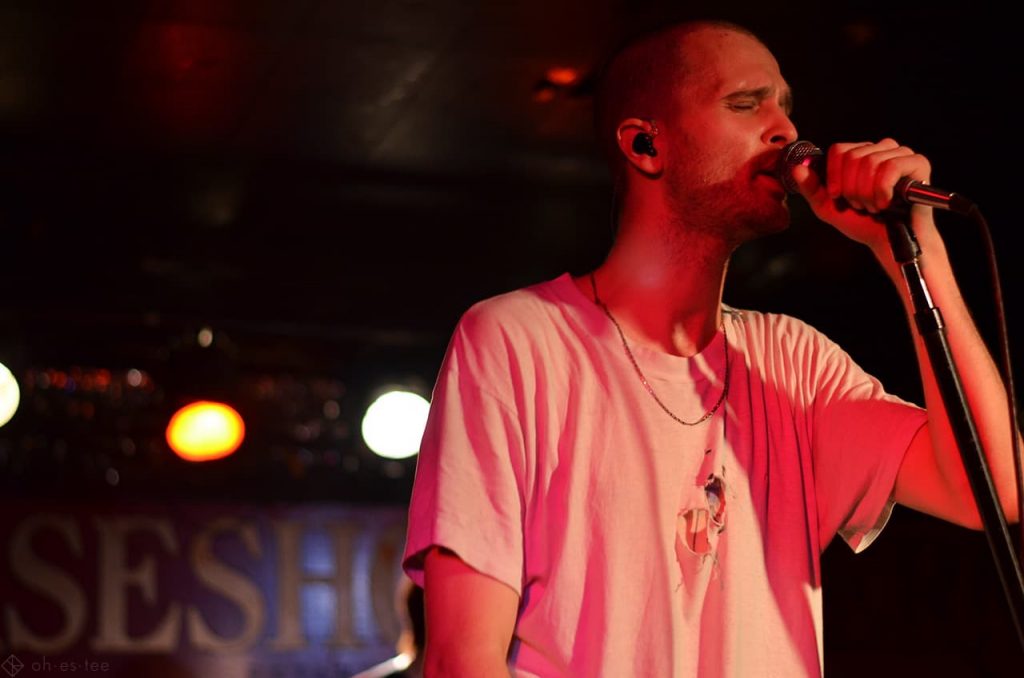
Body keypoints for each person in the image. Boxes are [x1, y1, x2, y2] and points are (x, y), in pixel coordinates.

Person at [400, 19, 1020, 677]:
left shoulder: (793, 361)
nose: (784, 129)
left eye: (785, 104)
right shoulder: (517, 340)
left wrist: (911, 250)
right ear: (645, 144)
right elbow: (462, 660)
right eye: (748, 103)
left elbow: (993, 491)